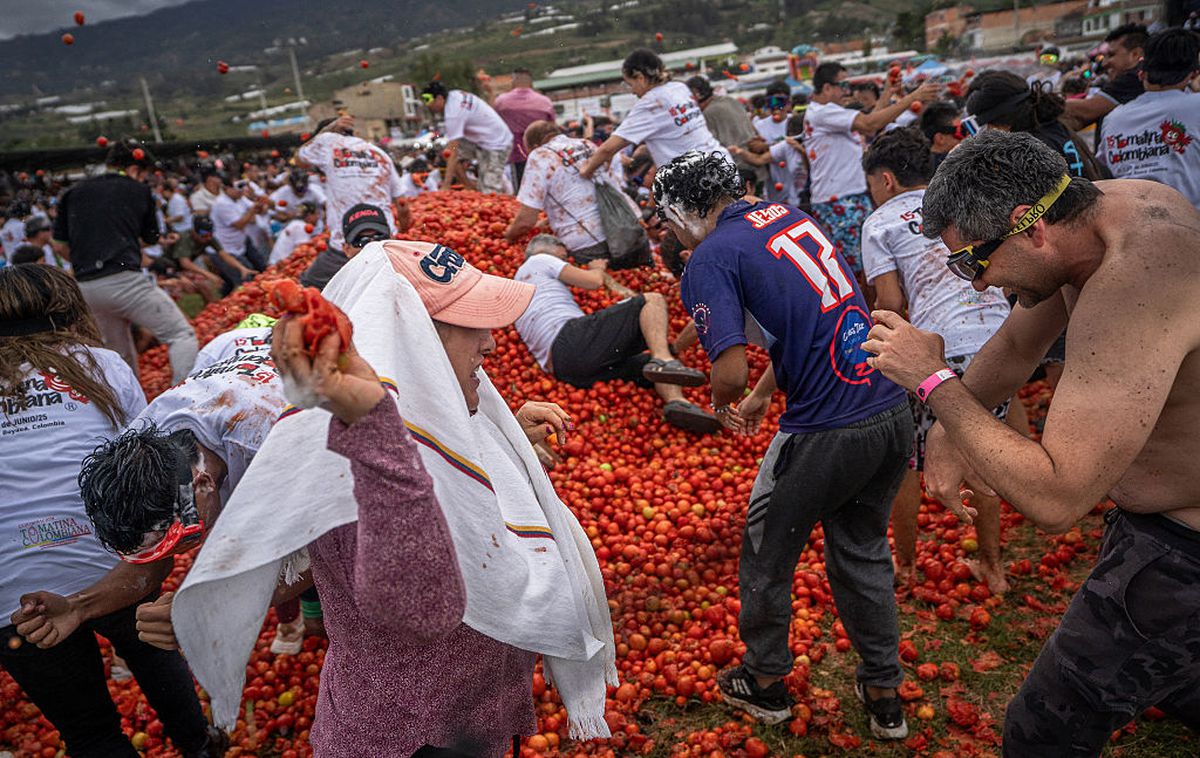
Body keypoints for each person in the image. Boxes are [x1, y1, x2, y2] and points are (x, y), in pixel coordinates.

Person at [862, 129, 1200, 756]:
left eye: (971, 262)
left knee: (1041, 731)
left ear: (1029, 227)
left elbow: (1057, 497)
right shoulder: (1102, 215)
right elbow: (1017, 346)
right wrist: (947, 433)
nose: (975, 287)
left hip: (1182, 556)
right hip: (1165, 526)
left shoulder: (1135, 283)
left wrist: (932, 381)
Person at [655, 152, 913, 738]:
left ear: (681, 210)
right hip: (888, 404)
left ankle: (765, 682)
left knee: (766, 553)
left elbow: (728, 369)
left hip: (824, 430)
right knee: (862, 548)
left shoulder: (709, 256)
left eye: (668, 221)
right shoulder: (789, 216)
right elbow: (810, 322)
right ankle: (884, 692)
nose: (670, 233)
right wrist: (766, 395)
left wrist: (723, 403)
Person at [0, 265, 219, 758]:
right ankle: (199, 745)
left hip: (13, 586)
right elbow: (142, 462)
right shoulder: (97, 363)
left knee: (91, 735)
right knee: (148, 643)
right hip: (109, 551)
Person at [77, 321, 307, 654]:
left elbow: (320, 548)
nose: (172, 560)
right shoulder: (141, 442)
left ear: (202, 484)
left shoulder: (272, 441)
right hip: (231, 352)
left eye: (184, 539)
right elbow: (151, 547)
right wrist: (78, 607)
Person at [859, 127, 1014, 593]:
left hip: (936, 347)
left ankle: (904, 568)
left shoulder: (880, 222)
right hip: (999, 336)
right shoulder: (958, 201)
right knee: (983, 452)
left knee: (908, 462)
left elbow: (890, 301)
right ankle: (993, 567)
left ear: (884, 180)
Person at [513, 234, 720, 433]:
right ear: (546, 251)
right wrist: (598, 268)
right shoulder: (538, 259)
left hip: (565, 370)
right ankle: (664, 359)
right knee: (651, 300)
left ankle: (678, 403)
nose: (567, 263)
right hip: (569, 340)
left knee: (647, 366)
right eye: (563, 258)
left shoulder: (518, 287)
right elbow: (593, 281)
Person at [51, 141, 198, 383]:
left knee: (119, 357)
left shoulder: (71, 193)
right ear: (134, 170)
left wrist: (86, 257)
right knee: (181, 334)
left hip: (86, 287)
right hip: (124, 280)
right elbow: (148, 239)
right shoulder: (138, 191)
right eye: (145, 175)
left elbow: (59, 245)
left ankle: (131, 414)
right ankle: (184, 397)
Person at [803, 62, 939, 281]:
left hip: (845, 197)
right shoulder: (822, 112)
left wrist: (887, 93)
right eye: (843, 84)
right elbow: (868, 124)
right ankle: (868, 314)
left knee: (869, 268)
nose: (846, 91)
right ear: (827, 87)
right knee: (862, 272)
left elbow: (872, 124)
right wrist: (914, 96)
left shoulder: (827, 112)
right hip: (839, 200)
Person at [578, 49, 728, 179]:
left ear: (640, 78)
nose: (632, 91)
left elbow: (608, 148)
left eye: (630, 84)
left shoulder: (651, 103)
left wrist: (587, 170)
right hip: (721, 164)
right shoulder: (679, 87)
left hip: (697, 178)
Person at [296, 114, 405, 284]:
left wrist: (325, 131)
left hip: (349, 244)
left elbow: (299, 159)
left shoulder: (328, 142)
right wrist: (401, 235)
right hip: (386, 239)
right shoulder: (379, 153)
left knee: (309, 284)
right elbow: (403, 205)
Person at [1098, 28, 1200, 207]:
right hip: (1190, 226)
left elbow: (1102, 171)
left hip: (1128, 225)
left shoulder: (1113, 119)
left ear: (1141, 72)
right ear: (1193, 73)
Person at [504, 121, 623, 263]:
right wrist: (548, 221)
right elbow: (583, 192)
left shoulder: (540, 155)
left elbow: (525, 222)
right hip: (620, 229)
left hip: (588, 242)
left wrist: (508, 237)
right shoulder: (586, 144)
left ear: (534, 146)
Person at [966, 71, 1110, 181]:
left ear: (1002, 119)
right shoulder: (1053, 128)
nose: (988, 131)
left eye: (987, 125)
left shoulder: (1027, 153)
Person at [422, 81, 515, 194]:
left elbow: (454, 150)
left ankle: (487, 194)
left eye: (428, 99)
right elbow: (451, 151)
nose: (427, 104)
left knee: (490, 192)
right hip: (482, 140)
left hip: (498, 144)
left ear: (440, 98)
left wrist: (446, 185)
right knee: (447, 152)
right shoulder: (454, 94)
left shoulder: (453, 114)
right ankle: (468, 186)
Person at [686, 75, 768, 190]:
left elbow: (706, 149)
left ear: (695, 95)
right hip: (757, 169)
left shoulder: (708, 114)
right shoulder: (730, 100)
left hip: (738, 172)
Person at [1064, 24, 1150, 132]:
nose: (1104, 63)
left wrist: (1045, 104)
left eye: (1111, 55)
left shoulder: (1134, 78)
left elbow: (1087, 109)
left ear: (1135, 54)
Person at [299, 203, 393, 290]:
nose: (372, 246)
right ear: (347, 249)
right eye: (361, 241)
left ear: (392, 239)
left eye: (379, 238)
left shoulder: (405, 269)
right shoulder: (336, 285)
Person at [492, 68, 557, 188]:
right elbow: (553, 128)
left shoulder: (501, 101)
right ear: (531, 83)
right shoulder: (545, 102)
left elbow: (495, 124)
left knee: (522, 189)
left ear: (513, 82)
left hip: (517, 154)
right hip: (544, 152)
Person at [918, 100, 966, 171]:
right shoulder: (953, 167)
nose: (964, 137)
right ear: (940, 138)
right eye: (960, 132)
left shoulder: (919, 161)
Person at [268, 201, 321, 266]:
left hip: (277, 262)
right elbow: (302, 251)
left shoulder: (296, 224)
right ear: (309, 215)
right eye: (316, 214)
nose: (318, 217)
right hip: (280, 265)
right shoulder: (301, 227)